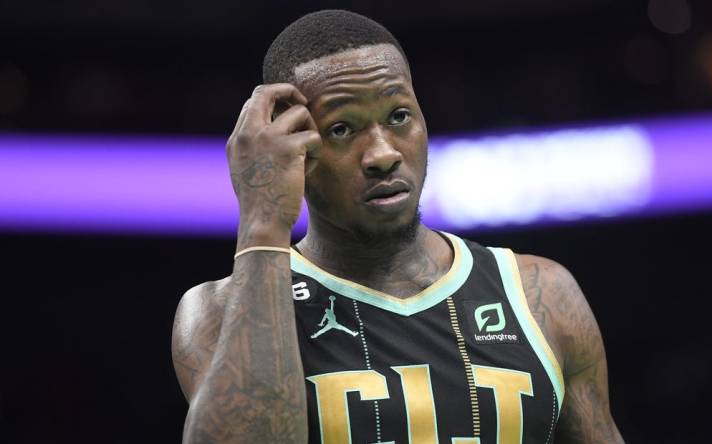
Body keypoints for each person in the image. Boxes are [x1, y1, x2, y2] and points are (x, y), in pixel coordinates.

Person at [172, 9, 623, 444]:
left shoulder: (542, 294)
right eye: (342, 129)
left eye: (399, 116)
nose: (383, 154)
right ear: (291, 145)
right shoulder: (217, 312)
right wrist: (262, 224)